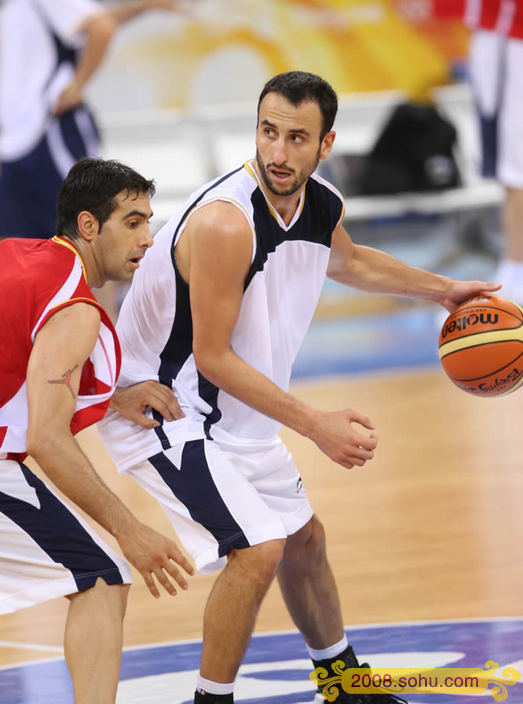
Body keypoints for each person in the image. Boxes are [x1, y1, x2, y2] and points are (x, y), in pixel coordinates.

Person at [98, 71, 499, 704]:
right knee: (259, 549)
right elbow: (214, 356)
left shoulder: (319, 204)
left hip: (228, 412)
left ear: (326, 143)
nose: (278, 153)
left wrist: (444, 289)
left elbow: (351, 260)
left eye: (296, 137)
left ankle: (344, 685)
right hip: (165, 409)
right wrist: (316, 425)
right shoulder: (228, 224)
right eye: (267, 132)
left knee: (304, 541)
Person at [0, 157, 194, 704]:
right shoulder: (76, 309)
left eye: (148, 222)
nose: (148, 238)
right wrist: (130, 529)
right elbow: (48, 437)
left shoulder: (19, 256)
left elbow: (21, 360)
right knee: (101, 577)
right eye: (132, 222)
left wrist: (112, 397)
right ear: (89, 226)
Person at [0, 0, 179, 239]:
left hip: (50, 132)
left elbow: (101, 26)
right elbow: (91, 21)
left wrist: (76, 86)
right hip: (13, 144)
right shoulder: (14, 9)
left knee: (81, 235)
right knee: (23, 246)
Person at [434, 0, 523, 301]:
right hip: (503, 35)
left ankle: (515, 273)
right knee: (513, 169)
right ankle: (514, 271)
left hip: (509, 36)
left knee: (516, 170)